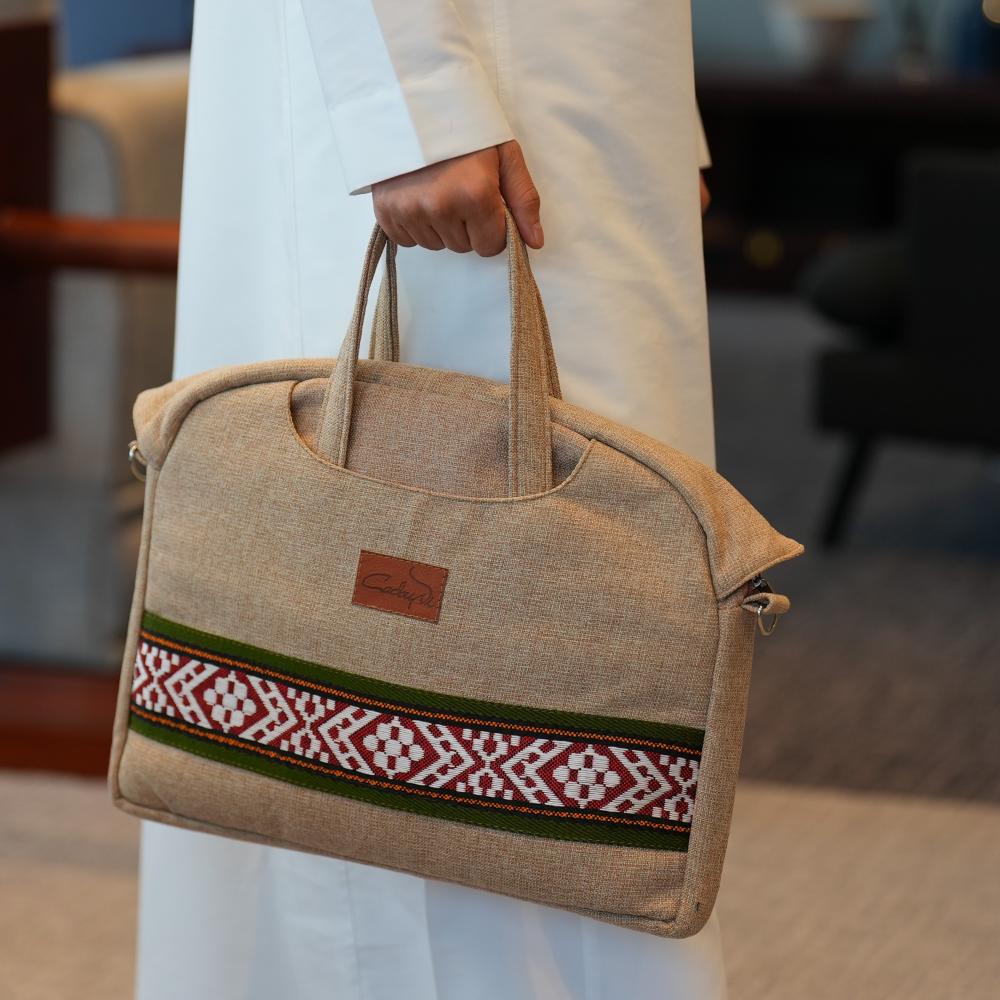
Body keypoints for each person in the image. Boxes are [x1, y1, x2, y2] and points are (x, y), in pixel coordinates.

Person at [136, 1, 724, 997]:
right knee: (400, 607)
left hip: (579, 83)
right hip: (459, 68)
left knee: (606, 592)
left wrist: (664, 118)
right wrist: (411, 102)